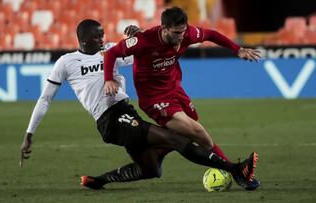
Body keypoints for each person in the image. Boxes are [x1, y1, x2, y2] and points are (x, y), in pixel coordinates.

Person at [20, 19, 257, 190]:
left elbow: (144, 53)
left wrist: (139, 35)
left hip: (126, 112)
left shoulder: (109, 51)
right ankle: (235, 170)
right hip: (109, 120)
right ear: (82, 39)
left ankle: (98, 181)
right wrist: (29, 133)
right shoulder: (66, 62)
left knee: (151, 171)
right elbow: (45, 98)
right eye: (96, 36)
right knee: (177, 138)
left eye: (102, 34)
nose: (101, 39)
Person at [103, 7, 261, 190]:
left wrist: (238, 49)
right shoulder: (142, 41)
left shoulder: (188, 34)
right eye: (177, 33)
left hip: (174, 90)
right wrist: (108, 79)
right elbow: (112, 53)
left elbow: (211, 34)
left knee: (188, 129)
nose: (181, 37)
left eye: (183, 31)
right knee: (199, 133)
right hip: (153, 98)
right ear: (164, 28)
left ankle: (159, 151)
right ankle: (237, 172)